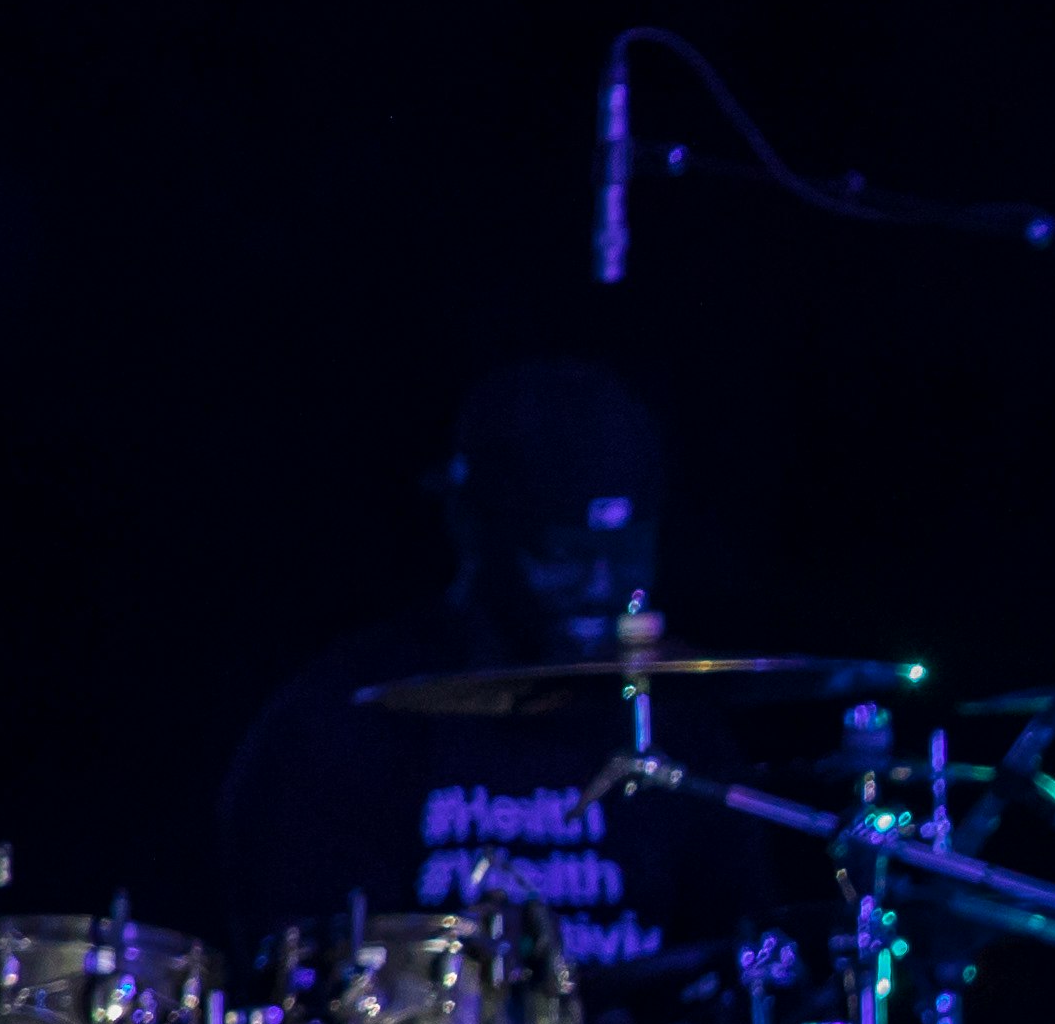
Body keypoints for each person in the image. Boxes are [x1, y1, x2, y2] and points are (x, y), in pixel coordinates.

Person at [216, 357, 750, 965]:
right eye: (561, 554)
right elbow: (297, 958)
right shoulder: (345, 719)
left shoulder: (679, 721)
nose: (602, 585)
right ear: (472, 528)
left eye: (627, 553)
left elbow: (740, 952)